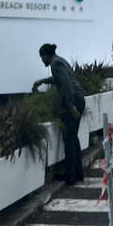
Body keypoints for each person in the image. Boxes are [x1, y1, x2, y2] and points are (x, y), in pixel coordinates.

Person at [32, 43, 86, 185]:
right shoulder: (60, 60)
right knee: (73, 137)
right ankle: (78, 173)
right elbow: (59, 79)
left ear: (46, 55)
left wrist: (70, 105)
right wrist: (43, 81)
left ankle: (70, 176)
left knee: (68, 139)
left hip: (72, 100)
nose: (42, 60)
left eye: (42, 58)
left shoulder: (55, 64)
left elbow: (66, 83)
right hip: (79, 98)